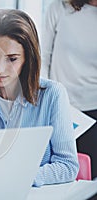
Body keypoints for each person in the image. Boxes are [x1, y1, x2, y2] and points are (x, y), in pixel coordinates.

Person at [0, 9, 79, 187]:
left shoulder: (53, 94)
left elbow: (67, 166)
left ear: (28, 59)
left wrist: (21, 177)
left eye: (11, 59)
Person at [41, 0, 97, 178]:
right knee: (57, 174)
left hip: (93, 111)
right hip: (60, 107)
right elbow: (43, 57)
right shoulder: (58, 7)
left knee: (90, 179)